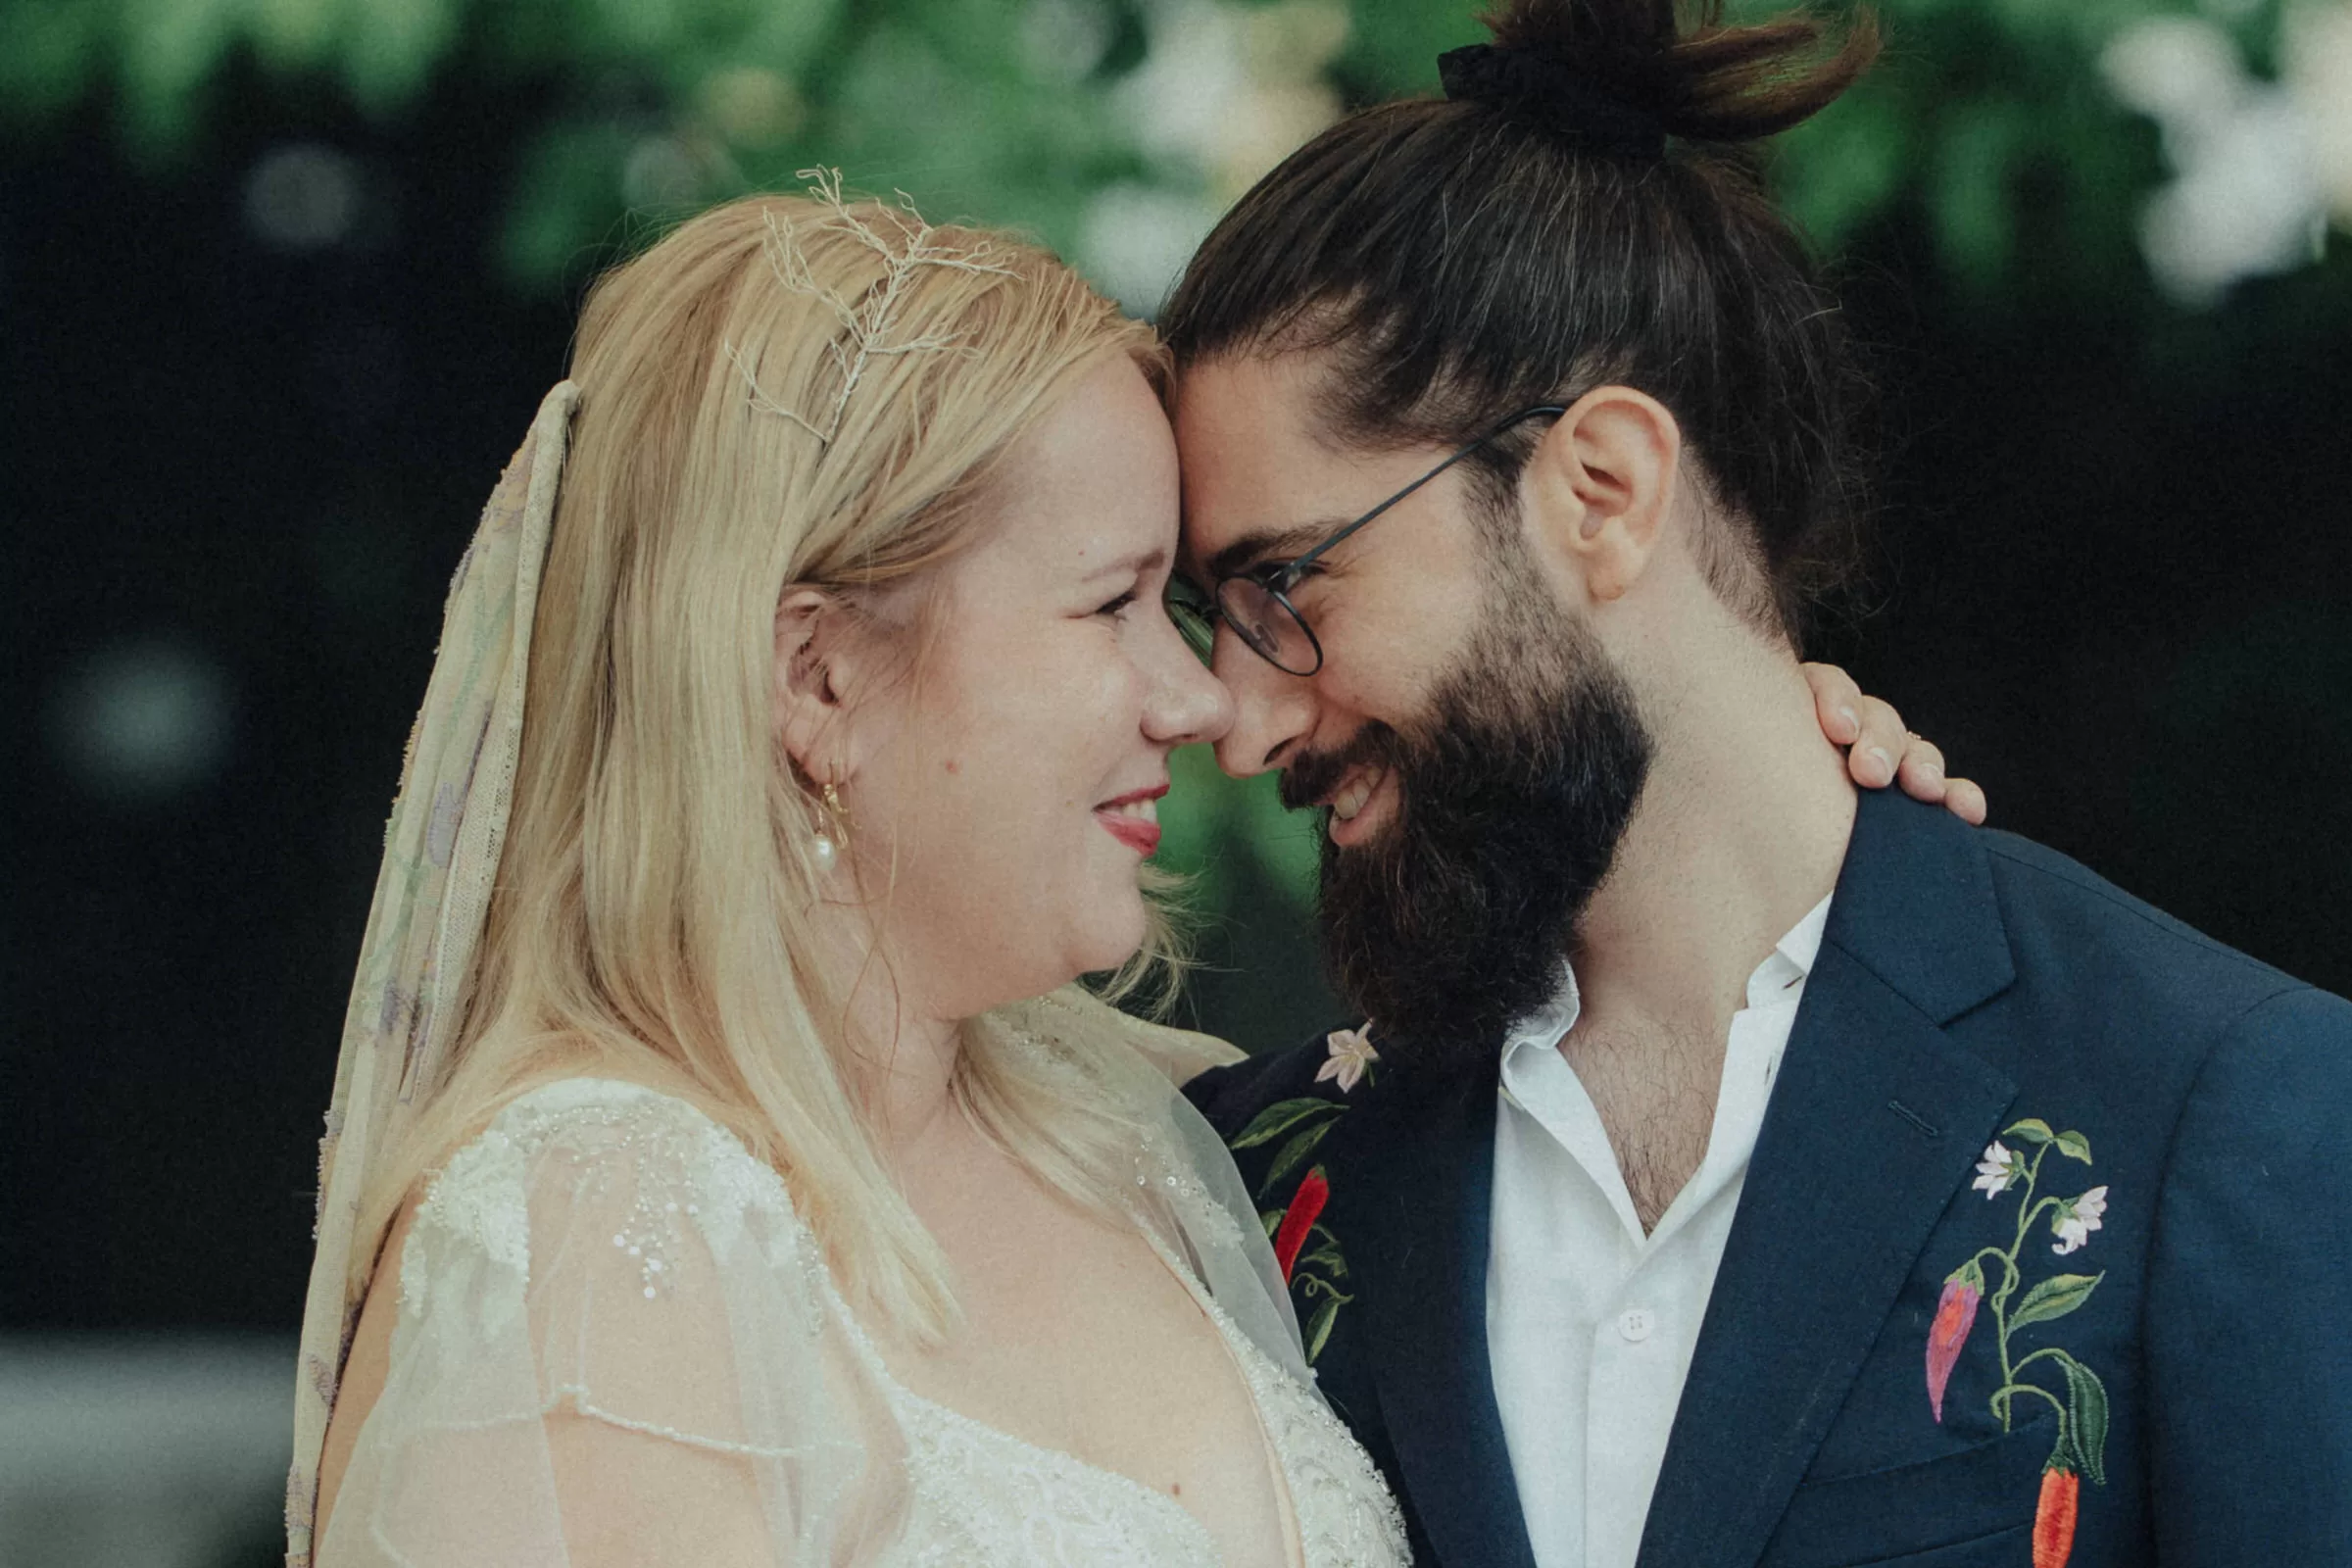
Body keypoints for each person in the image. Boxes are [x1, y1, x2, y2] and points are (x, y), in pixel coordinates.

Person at [282, 181, 1955, 1564]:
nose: (1202, 699)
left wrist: (1752, 764)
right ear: (817, 679)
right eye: (1112, 605)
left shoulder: (1155, 1144)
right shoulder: (599, 1231)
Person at [1165, 3, 2352, 1567]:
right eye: (1212, 623)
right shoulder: (1252, 1174)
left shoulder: (2217, 1105)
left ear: (1601, 491)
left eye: (1287, 589)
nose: (1241, 726)